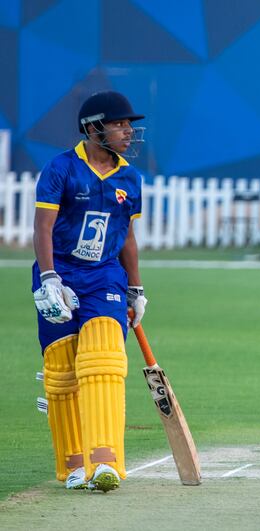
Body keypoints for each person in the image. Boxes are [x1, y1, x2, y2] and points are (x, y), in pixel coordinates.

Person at [32, 90, 148, 492]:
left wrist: (135, 288)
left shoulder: (130, 178)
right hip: (61, 271)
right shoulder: (61, 168)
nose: (128, 132)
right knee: (63, 373)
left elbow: (127, 238)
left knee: (104, 356)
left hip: (104, 275)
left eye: (129, 125)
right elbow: (43, 227)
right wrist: (49, 279)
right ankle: (74, 465)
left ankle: (106, 461)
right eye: (119, 124)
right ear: (94, 127)